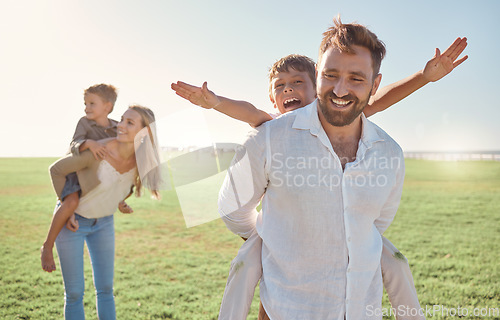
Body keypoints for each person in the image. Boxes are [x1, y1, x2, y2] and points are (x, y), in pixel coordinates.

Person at [172, 39, 467, 319]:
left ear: (317, 88)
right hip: (275, 233)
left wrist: (424, 77)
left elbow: (378, 98)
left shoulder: (343, 111)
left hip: (349, 236)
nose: (288, 89)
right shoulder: (272, 127)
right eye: (280, 86)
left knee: (395, 262)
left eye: (298, 82)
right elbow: (248, 112)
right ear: (272, 98)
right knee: (244, 267)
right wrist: (215, 102)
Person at [47, 105, 160, 320]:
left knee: (106, 289)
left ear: (144, 134)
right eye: (122, 119)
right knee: (74, 293)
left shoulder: (141, 162)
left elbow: (123, 185)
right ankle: (46, 245)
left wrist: (118, 202)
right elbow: (56, 170)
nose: (120, 125)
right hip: (73, 223)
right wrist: (66, 204)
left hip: (104, 223)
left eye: (129, 122)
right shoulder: (99, 151)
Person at [41, 84, 133, 273]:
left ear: (107, 107)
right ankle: (48, 246)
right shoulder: (84, 122)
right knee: (71, 203)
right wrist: (89, 143)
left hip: (97, 178)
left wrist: (120, 200)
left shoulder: (117, 127)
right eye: (85, 103)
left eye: (92, 103)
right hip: (75, 175)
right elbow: (74, 144)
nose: (87, 108)